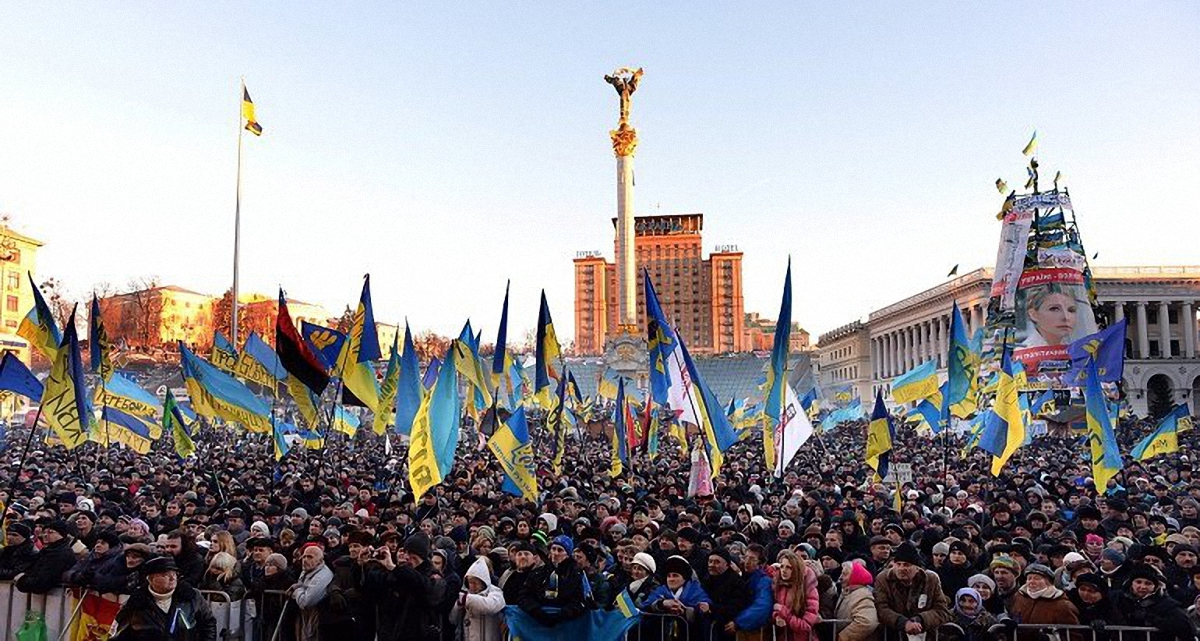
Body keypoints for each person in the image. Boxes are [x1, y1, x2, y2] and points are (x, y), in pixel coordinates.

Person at [111, 556, 218, 641]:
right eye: (165, 574)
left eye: (174, 573)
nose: (172, 578)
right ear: (150, 579)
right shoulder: (136, 603)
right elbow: (120, 633)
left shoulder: (192, 597)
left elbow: (208, 623)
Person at [874, 542, 952, 638]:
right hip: (893, 634)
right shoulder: (883, 579)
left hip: (924, 634)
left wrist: (920, 619)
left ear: (917, 568)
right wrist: (903, 622)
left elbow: (942, 611)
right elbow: (881, 608)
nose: (901, 568)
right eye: (898, 564)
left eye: (907, 565)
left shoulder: (931, 580)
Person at [1112, 564, 1194, 641]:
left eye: (1148, 583)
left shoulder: (1166, 604)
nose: (1142, 587)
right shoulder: (1118, 599)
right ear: (1131, 583)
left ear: (1155, 586)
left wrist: (1149, 618)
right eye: (1138, 582)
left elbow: (1186, 628)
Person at [517, 535, 586, 626]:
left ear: (568, 554)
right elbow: (524, 595)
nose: (555, 553)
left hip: (566, 624)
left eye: (560, 550)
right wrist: (535, 610)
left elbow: (580, 599)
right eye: (553, 549)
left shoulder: (576, 575)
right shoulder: (538, 573)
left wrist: (564, 614)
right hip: (537, 621)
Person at [1006, 563, 1079, 641]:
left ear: (1048, 582)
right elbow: (1009, 615)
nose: (1032, 582)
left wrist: (1049, 638)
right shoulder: (1019, 597)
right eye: (1029, 578)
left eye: (1037, 578)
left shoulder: (1062, 604)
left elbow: (1074, 635)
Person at [644, 555, 712, 638]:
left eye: (675, 575)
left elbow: (704, 612)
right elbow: (646, 606)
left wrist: (685, 611)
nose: (671, 579)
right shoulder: (660, 591)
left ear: (684, 578)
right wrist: (662, 604)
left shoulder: (696, 591)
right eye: (669, 576)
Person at [450, 557, 506, 641]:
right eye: (469, 582)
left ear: (483, 581)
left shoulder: (495, 592)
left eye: (475, 582)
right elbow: (453, 619)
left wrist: (467, 599)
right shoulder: (466, 594)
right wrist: (458, 606)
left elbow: (489, 606)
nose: (472, 586)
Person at [15, 520, 77, 594]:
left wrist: (21, 581)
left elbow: (43, 582)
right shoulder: (47, 551)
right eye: (44, 532)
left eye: (50, 532)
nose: (45, 535)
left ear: (62, 535)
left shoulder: (59, 554)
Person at [701, 548, 749, 640]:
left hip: (726, 630)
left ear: (727, 565)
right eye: (710, 561)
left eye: (716, 562)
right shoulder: (706, 580)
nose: (712, 565)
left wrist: (711, 609)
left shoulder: (736, 582)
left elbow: (736, 606)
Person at [772, 550, 820, 641]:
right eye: (782, 566)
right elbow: (775, 608)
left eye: (789, 567)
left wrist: (784, 612)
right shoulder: (779, 586)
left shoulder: (809, 589)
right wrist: (776, 617)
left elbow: (806, 625)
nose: (784, 570)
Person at [290, 543, 333, 641]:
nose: (305, 560)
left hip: (317, 618)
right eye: (304, 557)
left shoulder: (322, 576)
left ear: (320, 561)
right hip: (305, 618)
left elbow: (306, 602)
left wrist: (297, 590)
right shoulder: (306, 571)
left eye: (310, 557)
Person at [731, 544, 773, 640]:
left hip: (754, 630)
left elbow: (762, 606)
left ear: (761, 563)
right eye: (746, 557)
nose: (747, 562)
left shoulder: (764, 581)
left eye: (752, 559)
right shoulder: (741, 578)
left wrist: (738, 622)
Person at [1021, 283, 1079, 347]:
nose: (1066, 317)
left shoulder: (1077, 349)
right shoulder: (1023, 353)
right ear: (1034, 314)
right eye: (1054, 309)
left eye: (1071, 310)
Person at [834, 560, 878, 641]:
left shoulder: (862, 595)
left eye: (844, 574)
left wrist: (844, 636)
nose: (840, 577)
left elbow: (867, 622)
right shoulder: (848, 593)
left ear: (855, 576)